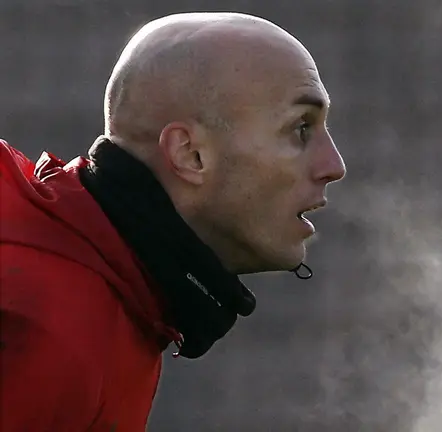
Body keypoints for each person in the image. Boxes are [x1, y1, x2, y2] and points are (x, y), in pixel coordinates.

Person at [0, 12, 345, 431]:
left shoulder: (116, 295)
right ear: (190, 155)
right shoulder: (48, 327)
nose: (334, 166)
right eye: (301, 129)